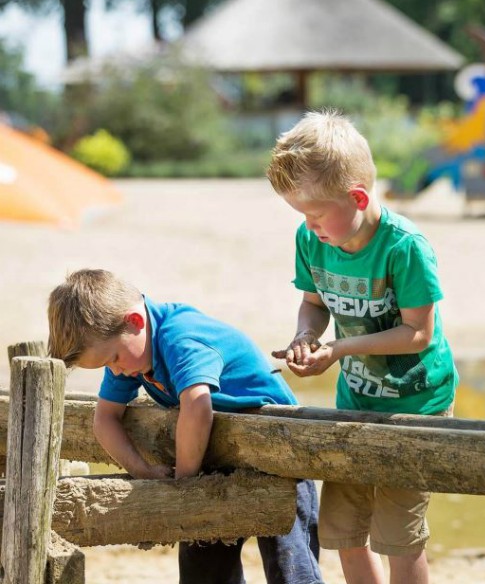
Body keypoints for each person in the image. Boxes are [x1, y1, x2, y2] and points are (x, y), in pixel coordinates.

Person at [266, 110, 458, 584]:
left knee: (398, 535)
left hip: (417, 404)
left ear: (356, 197)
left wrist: (337, 351)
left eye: (314, 214)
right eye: (301, 217)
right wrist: (307, 337)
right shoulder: (313, 241)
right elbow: (312, 303)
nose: (310, 227)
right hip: (355, 401)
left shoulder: (404, 247)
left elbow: (419, 333)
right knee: (343, 532)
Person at [47, 268, 323, 584]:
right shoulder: (126, 351)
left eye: (114, 359)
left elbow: (197, 405)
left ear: (134, 322)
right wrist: (141, 469)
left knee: (291, 567)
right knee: (203, 572)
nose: (116, 371)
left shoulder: (179, 336)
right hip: (214, 462)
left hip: (278, 455)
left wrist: (184, 483)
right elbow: (105, 418)